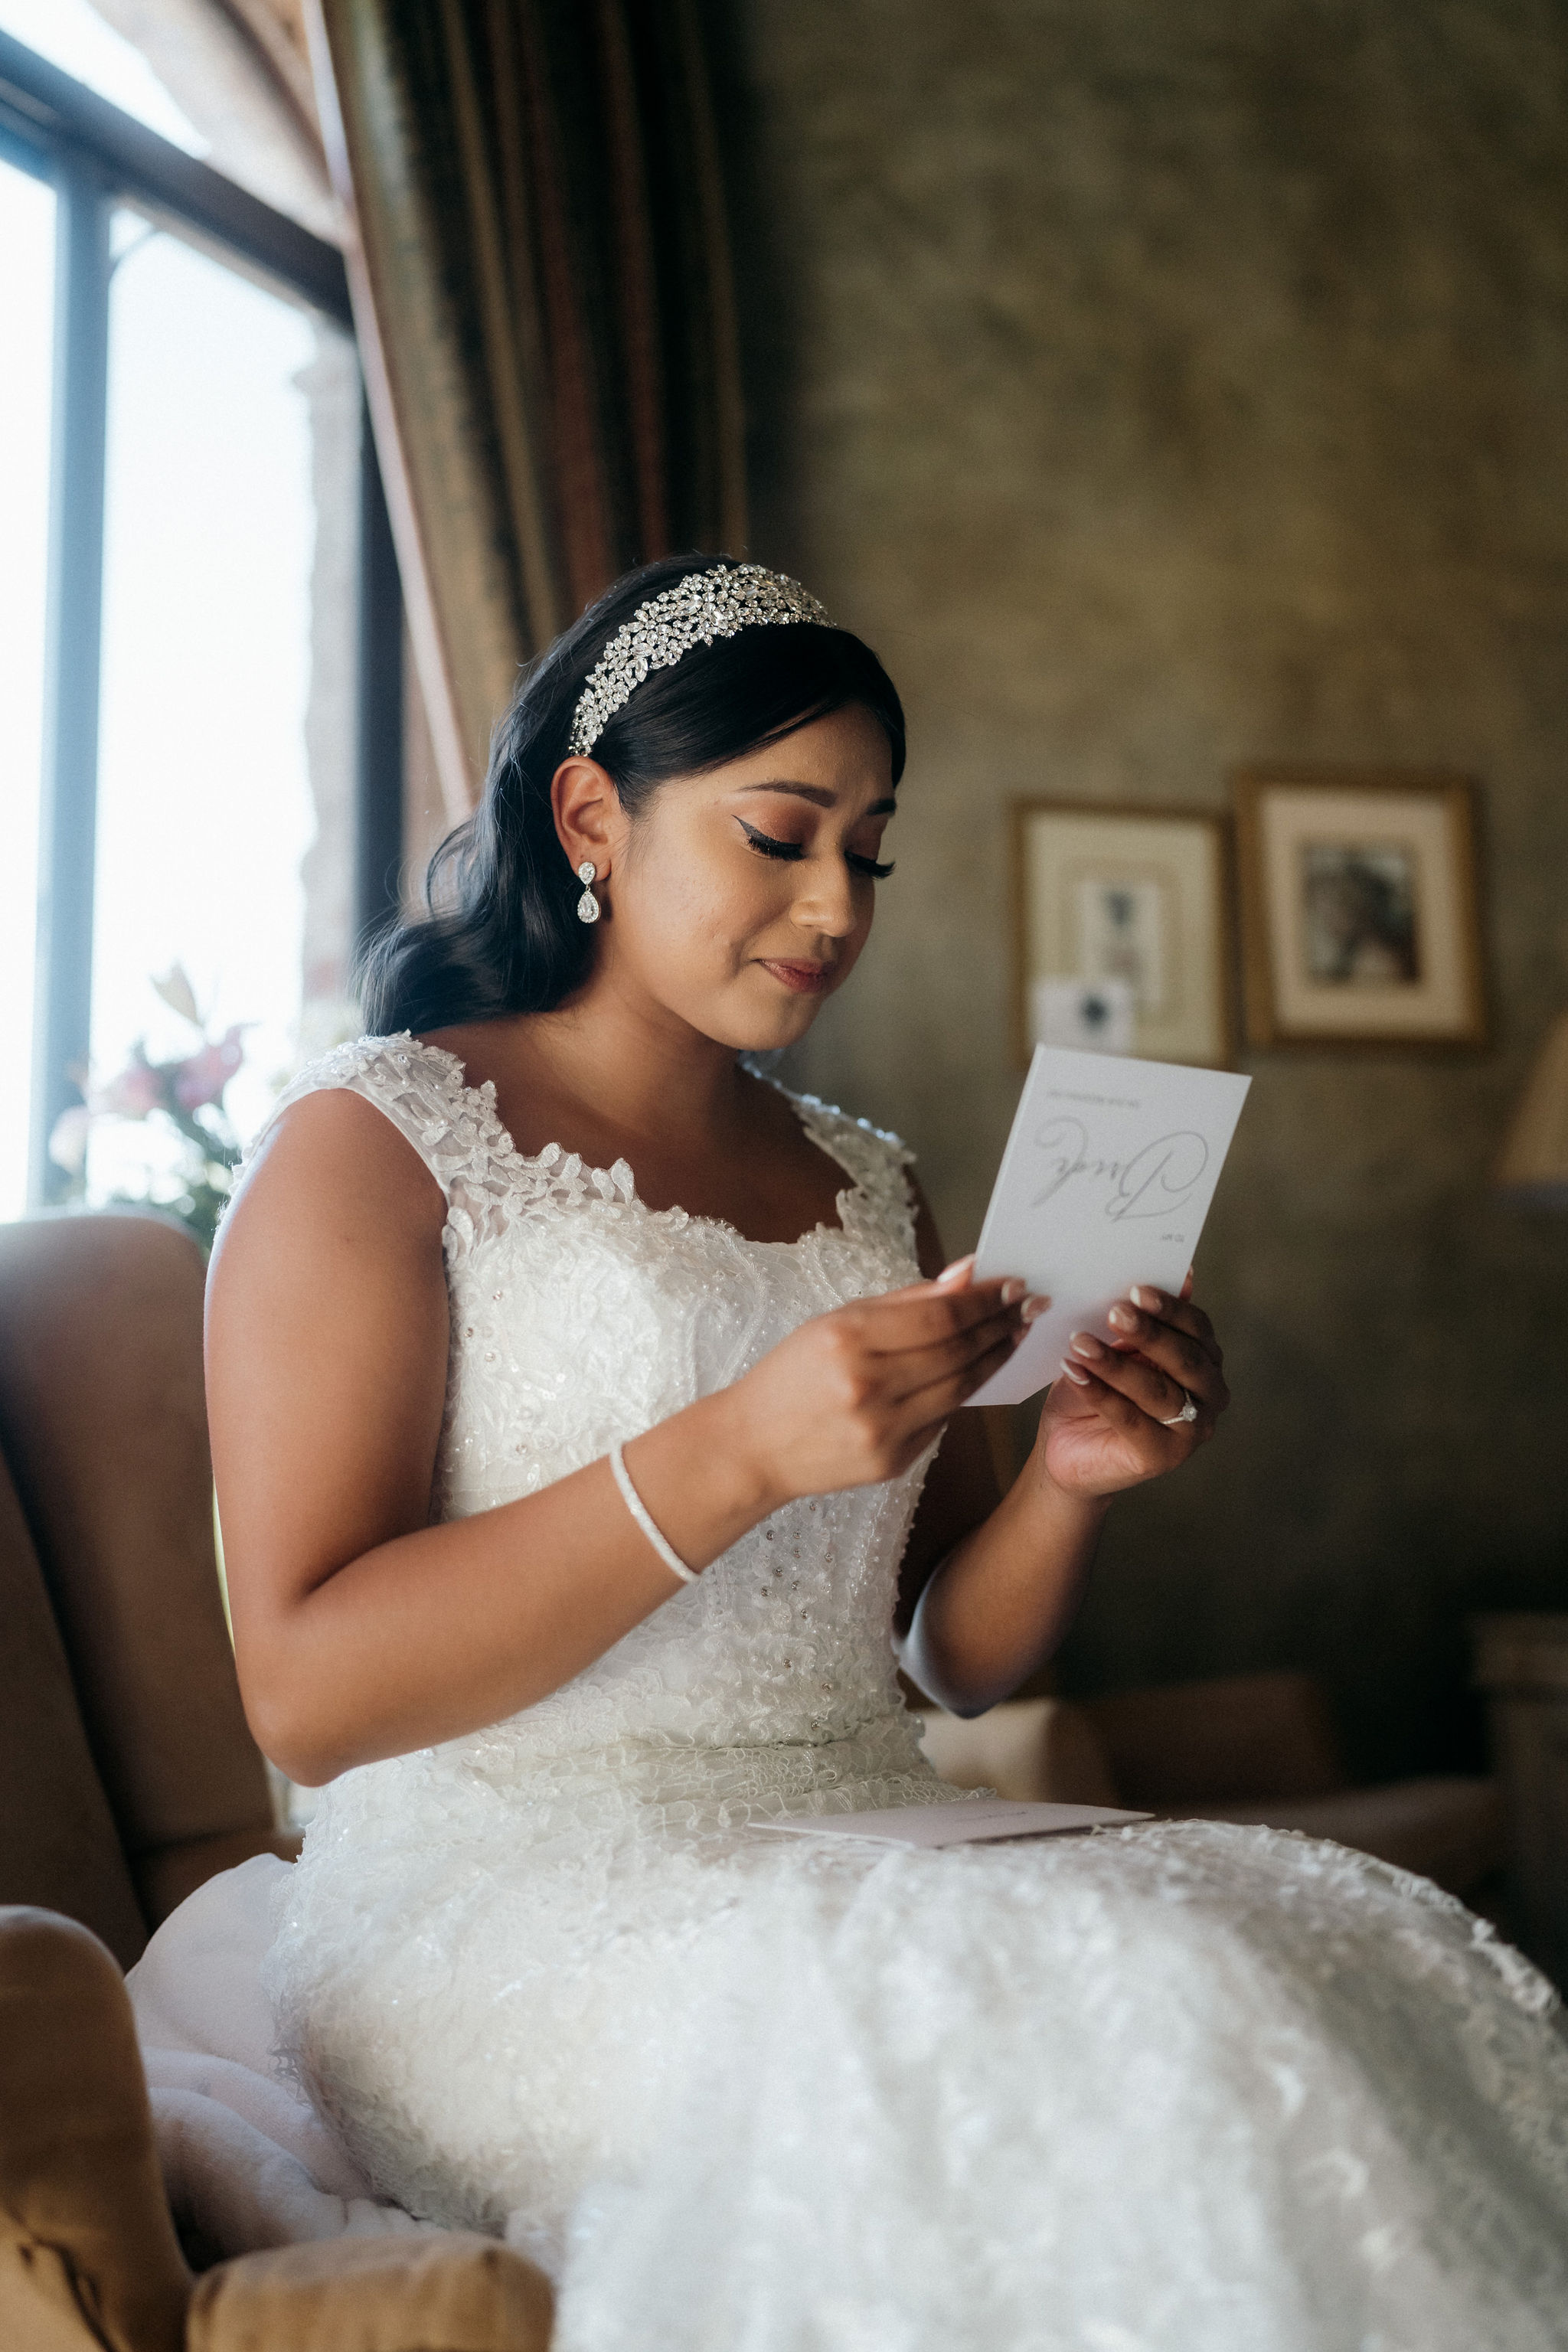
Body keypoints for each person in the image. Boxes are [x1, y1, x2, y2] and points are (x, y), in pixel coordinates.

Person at [207, 557, 1568, 2348]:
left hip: (875, 1833)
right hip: (504, 1906)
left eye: (870, 847)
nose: (836, 904)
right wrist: (738, 1454)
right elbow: (307, 1697)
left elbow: (940, 1653)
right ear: (592, 815)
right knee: (1130, 2030)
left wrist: (1075, 1476)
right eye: (780, 834)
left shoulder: (869, 1182)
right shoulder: (371, 1143)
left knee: (1338, 1956)